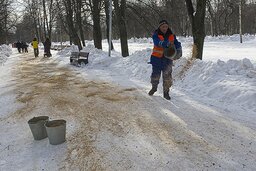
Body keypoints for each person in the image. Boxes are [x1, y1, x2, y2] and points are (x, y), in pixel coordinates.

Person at [148, 20, 182, 100]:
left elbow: (176, 43)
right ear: (160, 27)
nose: (165, 28)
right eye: (163, 27)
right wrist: (165, 43)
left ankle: (166, 92)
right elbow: (157, 42)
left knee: (167, 77)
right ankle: (154, 87)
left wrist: (179, 48)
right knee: (155, 76)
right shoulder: (156, 35)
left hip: (168, 59)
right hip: (157, 59)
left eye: (166, 26)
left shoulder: (171, 35)